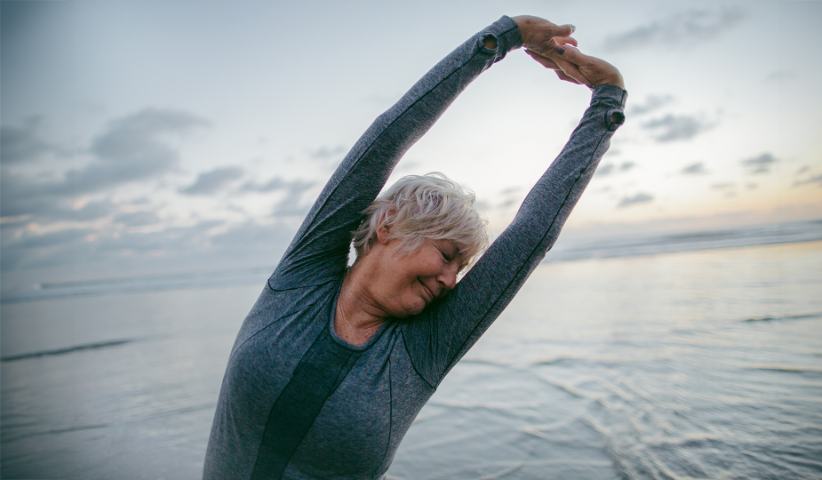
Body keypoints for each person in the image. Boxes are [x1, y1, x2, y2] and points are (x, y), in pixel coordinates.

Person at [203, 14, 626, 480]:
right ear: (387, 226)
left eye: (459, 268)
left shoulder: (424, 348)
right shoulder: (299, 278)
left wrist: (607, 102)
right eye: (447, 256)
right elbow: (387, 138)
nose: (450, 281)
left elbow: (532, 232)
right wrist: (503, 37)